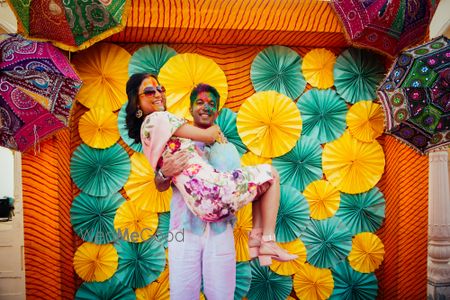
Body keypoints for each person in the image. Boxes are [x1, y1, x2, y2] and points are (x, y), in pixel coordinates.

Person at [125, 74, 297, 270]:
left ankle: (258, 243)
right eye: (149, 91)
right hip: (207, 197)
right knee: (272, 173)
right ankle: (267, 241)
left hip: (202, 207)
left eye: (160, 89)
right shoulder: (158, 118)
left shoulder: (149, 135)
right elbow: (208, 135)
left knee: (260, 187)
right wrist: (214, 130)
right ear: (136, 102)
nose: (158, 94)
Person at [155, 83, 238, 300]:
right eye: (200, 102)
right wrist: (164, 173)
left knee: (222, 295)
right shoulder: (175, 144)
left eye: (211, 104)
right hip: (182, 229)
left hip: (220, 230)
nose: (205, 107)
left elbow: (238, 189)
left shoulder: (229, 149)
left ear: (217, 112)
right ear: (190, 109)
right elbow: (160, 184)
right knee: (182, 294)